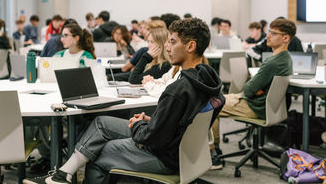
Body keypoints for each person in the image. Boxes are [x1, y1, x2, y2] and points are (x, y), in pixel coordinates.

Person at [24, 18, 224, 184]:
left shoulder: (178, 89)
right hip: (182, 151)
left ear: (190, 46)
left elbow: (154, 138)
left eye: (172, 41)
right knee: (102, 123)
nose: (167, 47)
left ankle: (62, 175)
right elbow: (177, 121)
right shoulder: (206, 78)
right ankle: (63, 175)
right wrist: (150, 120)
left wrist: (139, 125)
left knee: (96, 153)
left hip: (163, 156)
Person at [212, 19, 295, 169]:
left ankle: (213, 153)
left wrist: (255, 88)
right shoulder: (286, 58)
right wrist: (256, 88)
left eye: (273, 33)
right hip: (265, 106)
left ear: (285, 38)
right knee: (214, 99)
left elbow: (248, 90)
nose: (268, 36)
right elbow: (251, 89)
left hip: (255, 106)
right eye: (269, 31)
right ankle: (213, 149)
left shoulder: (272, 62)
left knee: (208, 106)